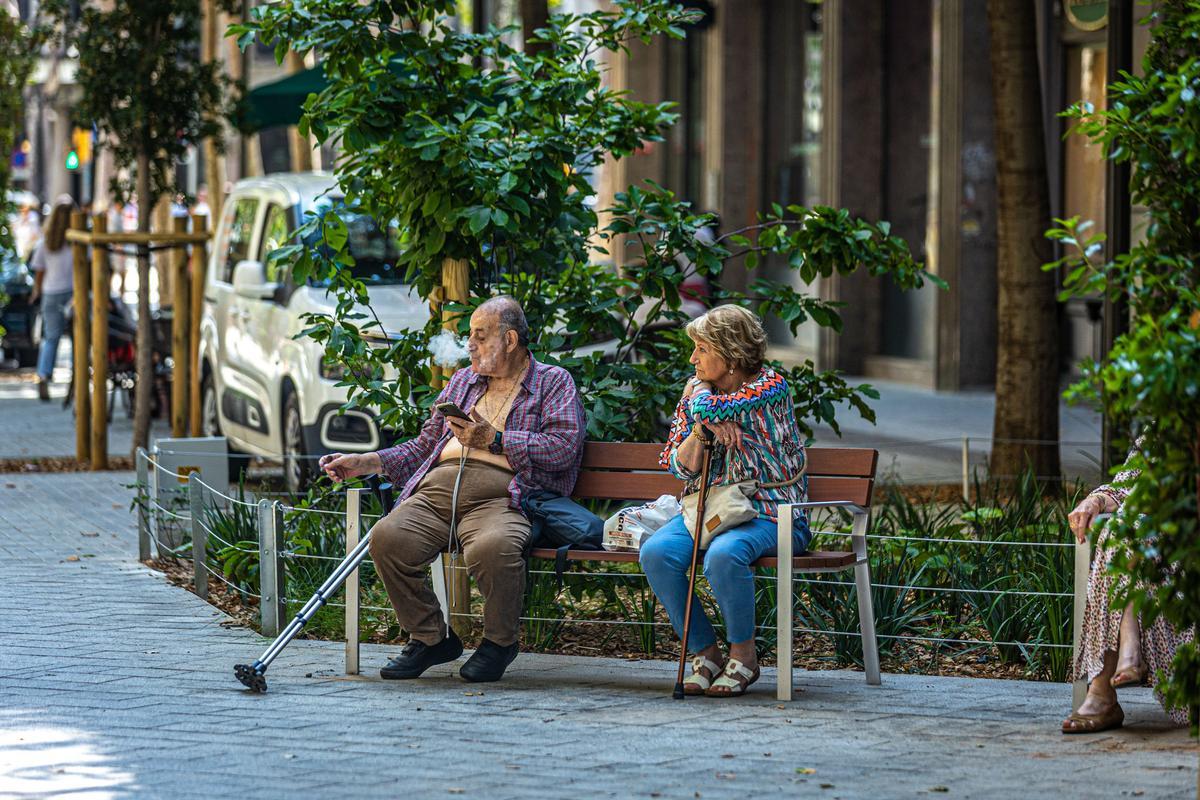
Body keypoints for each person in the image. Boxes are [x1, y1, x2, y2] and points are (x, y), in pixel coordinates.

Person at [318, 296, 586, 683]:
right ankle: (431, 638)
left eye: (480, 336)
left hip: (503, 497)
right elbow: (424, 445)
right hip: (436, 493)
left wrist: (495, 440)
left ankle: (498, 643)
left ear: (510, 340)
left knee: (493, 547)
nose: (470, 345)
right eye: (469, 336)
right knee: (388, 537)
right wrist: (366, 462)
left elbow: (563, 448)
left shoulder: (552, 381)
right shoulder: (463, 381)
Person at [640, 304, 810, 697]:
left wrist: (701, 402)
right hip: (711, 507)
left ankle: (744, 656)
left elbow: (702, 405)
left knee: (723, 554)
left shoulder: (769, 388)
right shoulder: (704, 392)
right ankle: (706, 652)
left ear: (730, 353)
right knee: (656, 553)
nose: (692, 358)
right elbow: (676, 466)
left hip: (773, 513)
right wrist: (703, 431)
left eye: (701, 348)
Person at [1062, 446, 1196, 733]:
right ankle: (1126, 650)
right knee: (1124, 528)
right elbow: (1127, 486)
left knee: (1127, 534)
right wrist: (1095, 500)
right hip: (1164, 565)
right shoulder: (1168, 425)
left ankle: (1103, 691)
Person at [28, 198, 76, 401]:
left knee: (51, 337)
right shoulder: (77, 241)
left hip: (50, 292)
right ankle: (78, 376)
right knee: (79, 338)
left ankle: (44, 375)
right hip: (74, 294)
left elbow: (39, 272)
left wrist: (36, 291)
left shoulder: (46, 243)